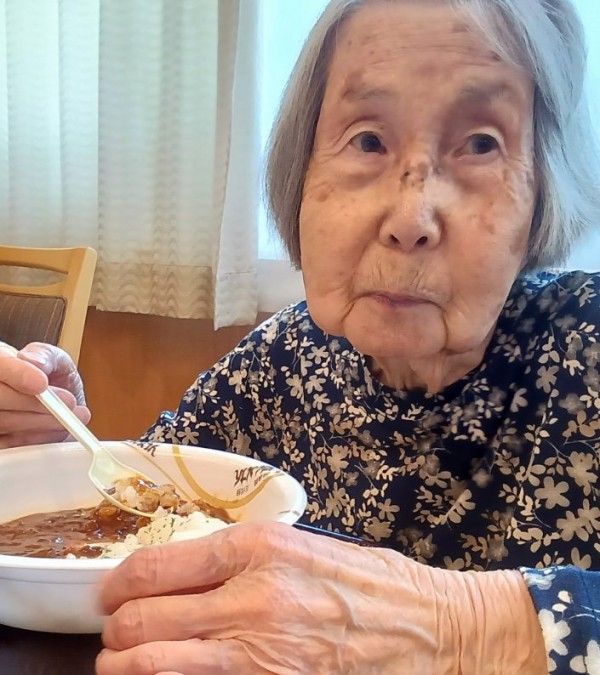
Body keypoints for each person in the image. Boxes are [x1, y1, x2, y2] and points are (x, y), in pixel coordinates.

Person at [1, 0, 599, 672]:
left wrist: (465, 630)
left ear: (544, 188)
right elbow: (151, 510)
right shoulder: (283, 360)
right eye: (368, 141)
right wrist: (47, 456)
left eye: (482, 144)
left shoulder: (586, 344)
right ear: (301, 173)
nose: (410, 218)